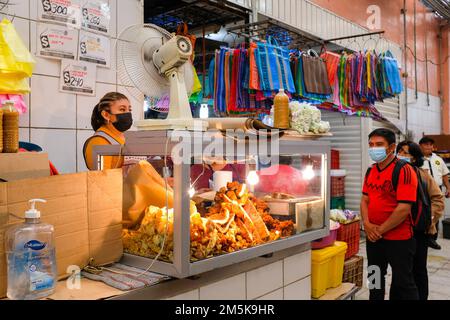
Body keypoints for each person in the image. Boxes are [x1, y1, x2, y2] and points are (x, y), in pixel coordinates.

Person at [361, 128, 419, 300]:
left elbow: (403, 208)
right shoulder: (370, 170)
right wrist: (367, 224)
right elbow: (365, 200)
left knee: (403, 284)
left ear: (391, 147)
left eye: (379, 144)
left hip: (399, 240)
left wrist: (379, 230)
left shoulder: (405, 170)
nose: (373, 148)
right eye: (371, 144)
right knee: (375, 280)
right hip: (374, 240)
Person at [396, 141, 445, 300]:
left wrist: (428, 218)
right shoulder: (394, 174)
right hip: (396, 231)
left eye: (406, 153)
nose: (401, 155)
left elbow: (438, 199)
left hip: (418, 231)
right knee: (401, 270)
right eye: (400, 152)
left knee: (419, 269)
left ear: (415, 158)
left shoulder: (424, 176)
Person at [83, 92, 133, 170]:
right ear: (106, 115)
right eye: (122, 109)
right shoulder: (99, 142)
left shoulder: (124, 137)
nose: (127, 113)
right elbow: (101, 178)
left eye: (129, 110)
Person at [419, 136, 450, 250]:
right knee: (425, 213)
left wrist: (448, 187)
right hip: (423, 190)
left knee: (436, 213)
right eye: (426, 144)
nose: (428, 146)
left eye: (430, 144)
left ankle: (432, 238)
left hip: (437, 190)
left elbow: (444, 174)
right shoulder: (418, 159)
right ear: (420, 146)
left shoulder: (438, 159)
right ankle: (425, 237)